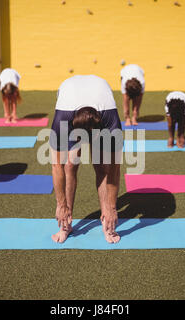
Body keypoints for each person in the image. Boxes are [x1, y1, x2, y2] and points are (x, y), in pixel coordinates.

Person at [50, 75, 123, 244]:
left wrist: (112, 208)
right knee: (69, 165)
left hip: (101, 108)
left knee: (102, 167)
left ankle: (108, 223)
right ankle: (65, 225)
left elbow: (114, 168)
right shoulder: (63, 118)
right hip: (70, 101)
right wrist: (61, 204)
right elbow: (56, 165)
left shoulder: (110, 120)